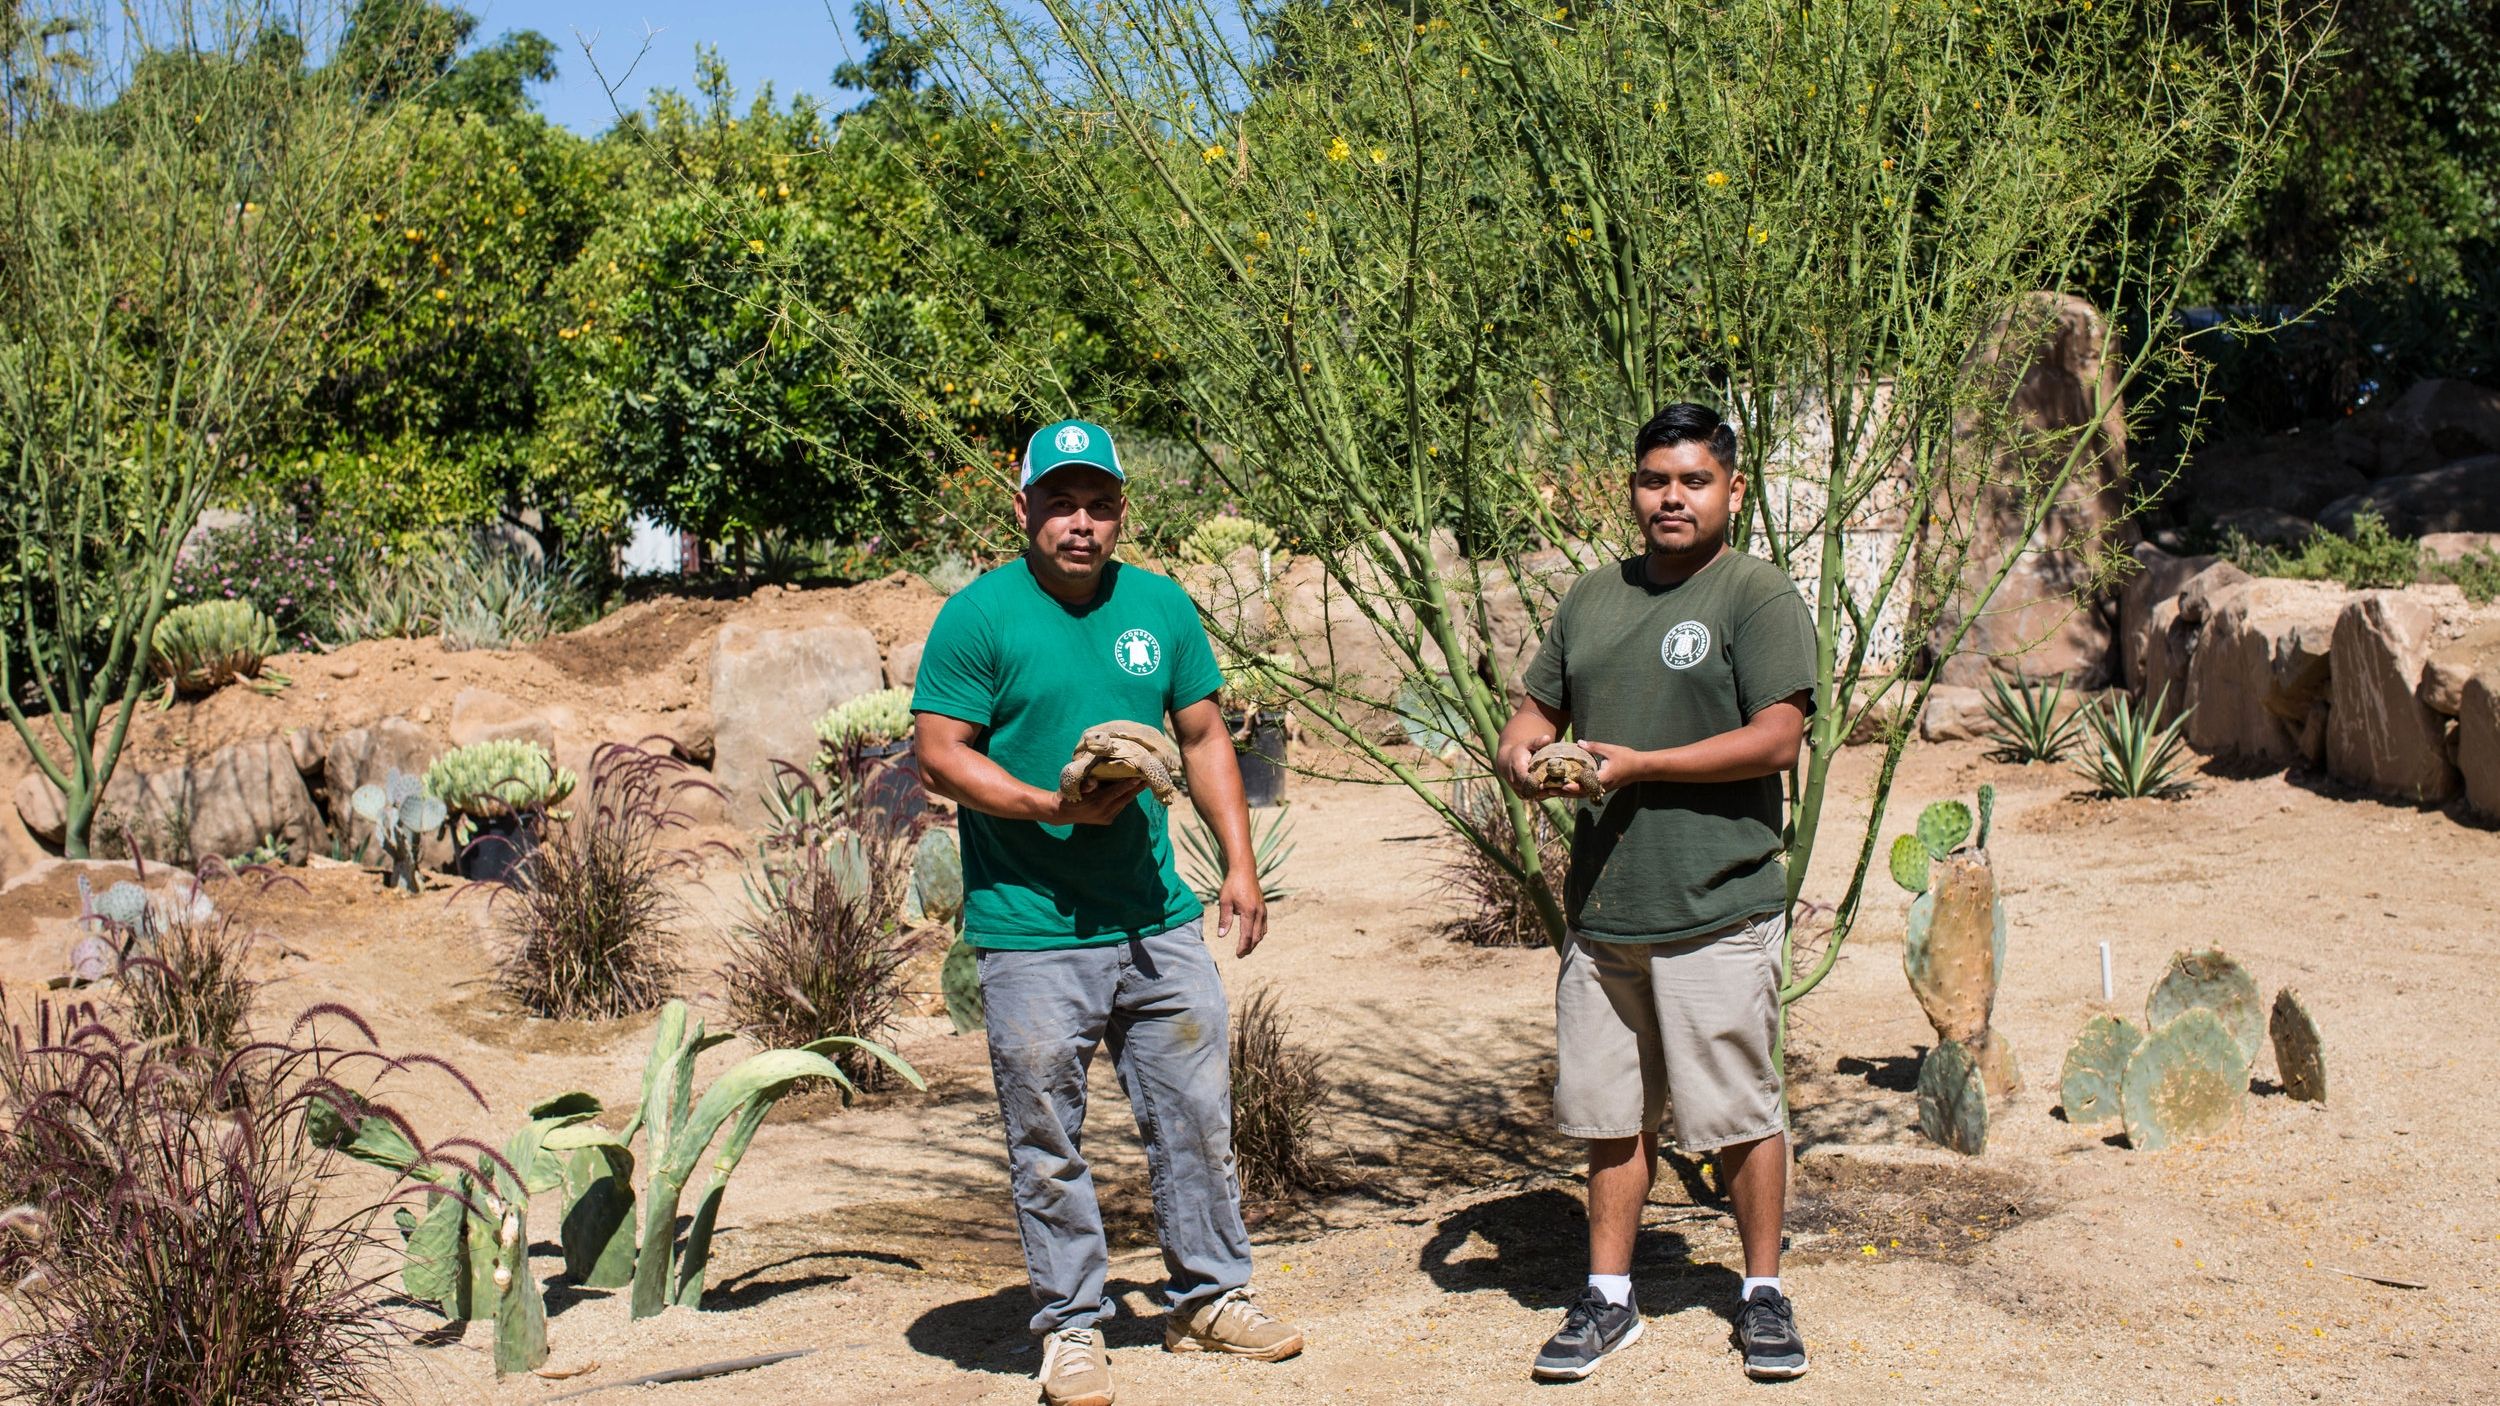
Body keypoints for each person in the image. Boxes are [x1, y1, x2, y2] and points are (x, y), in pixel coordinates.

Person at [911, 418, 1304, 1406]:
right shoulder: (979, 616)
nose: (1079, 523)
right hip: (1031, 926)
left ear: (1119, 511)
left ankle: (1211, 1295)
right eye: (1059, 502)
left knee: (1193, 1114)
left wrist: (1238, 866)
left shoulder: (1161, 606)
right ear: (1023, 509)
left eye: (1097, 504)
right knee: (1047, 1130)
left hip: (1154, 915)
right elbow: (938, 750)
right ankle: (1073, 1323)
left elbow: (1206, 733)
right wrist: (1050, 804)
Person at [1496, 402, 1817, 1382]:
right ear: (1631, 486)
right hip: (1605, 912)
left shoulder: (1754, 595)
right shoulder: (1592, 596)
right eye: (1653, 479)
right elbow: (1532, 708)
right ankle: (1608, 1297)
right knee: (1610, 1115)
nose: (1669, 497)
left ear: (1730, 489)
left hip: (1715, 904)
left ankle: (1760, 1291)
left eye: (1691, 480)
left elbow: (1776, 736)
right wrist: (1518, 754)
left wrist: (1642, 766)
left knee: (1737, 1113)